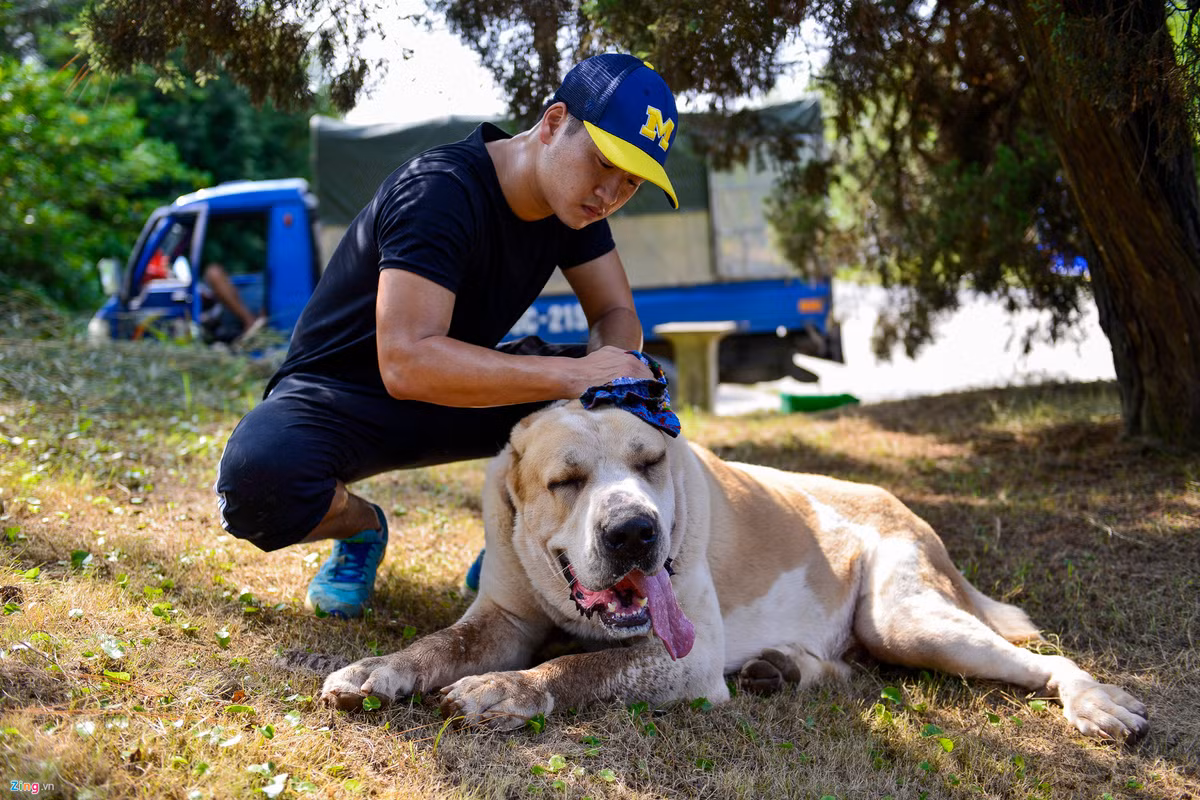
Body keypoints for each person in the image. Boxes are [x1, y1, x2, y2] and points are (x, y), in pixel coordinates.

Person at [213, 54, 681, 618]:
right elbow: (407, 362)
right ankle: (361, 531)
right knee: (258, 482)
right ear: (555, 123)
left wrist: (611, 369)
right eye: (604, 163)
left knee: (634, 392)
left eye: (631, 182)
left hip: (463, 385)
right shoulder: (438, 191)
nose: (610, 192)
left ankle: (528, 543)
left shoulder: (575, 206)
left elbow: (613, 308)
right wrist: (579, 373)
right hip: (343, 394)